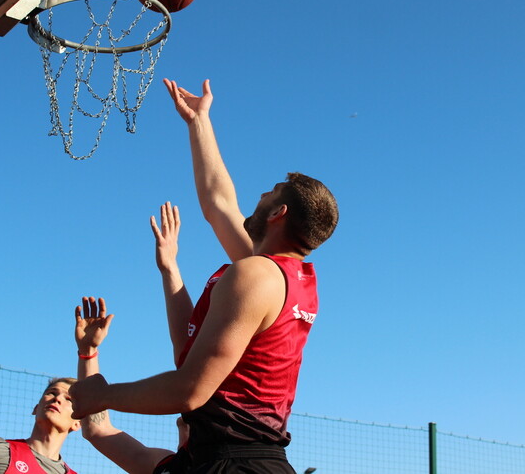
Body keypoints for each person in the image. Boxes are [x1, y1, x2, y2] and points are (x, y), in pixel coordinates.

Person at [69, 79, 339, 473]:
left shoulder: (257, 275)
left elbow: (190, 390)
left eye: (270, 192)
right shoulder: (283, 277)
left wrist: (104, 396)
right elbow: (218, 202)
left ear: (279, 214)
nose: (259, 197)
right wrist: (199, 122)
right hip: (223, 457)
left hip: (237, 462)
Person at [74, 295, 189, 474]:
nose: (183, 421)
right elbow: (97, 429)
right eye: (183, 421)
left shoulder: (239, 461)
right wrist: (88, 352)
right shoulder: (164, 466)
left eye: (187, 421)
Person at [0, 379, 81, 474]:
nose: (57, 398)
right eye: (52, 393)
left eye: (68, 399)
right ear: (36, 408)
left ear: (77, 424)